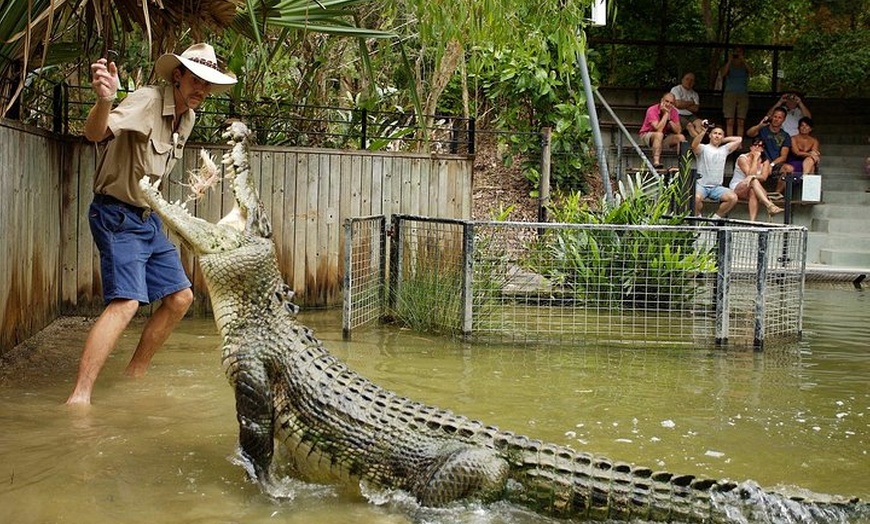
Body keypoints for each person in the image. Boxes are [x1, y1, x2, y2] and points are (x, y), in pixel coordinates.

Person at [66, 43, 237, 405]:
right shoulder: (145, 101)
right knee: (127, 303)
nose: (201, 90)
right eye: (195, 80)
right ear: (178, 75)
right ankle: (79, 398)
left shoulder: (187, 118)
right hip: (115, 213)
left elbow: (153, 175)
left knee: (180, 298)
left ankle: (134, 376)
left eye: (207, 84)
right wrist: (105, 100)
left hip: (147, 220)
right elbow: (94, 135)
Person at [692, 124, 742, 218]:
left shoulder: (725, 149)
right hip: (701, 185)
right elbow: (694, 145)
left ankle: (715, 219)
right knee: (696, 198)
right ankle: (698, 219)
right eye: (714, 133)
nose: (717, 135)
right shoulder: (703, 148)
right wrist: (703, 131)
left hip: (717, 187)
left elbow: (739, 139)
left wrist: (723, 139)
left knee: (733, 198)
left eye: (719, 134)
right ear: (710, 135)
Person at [729, 138, 784, 221]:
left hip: (754, 188)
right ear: (751, 147)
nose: (758, 147)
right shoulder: (742, 158)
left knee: (753, 191)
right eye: (756, 145)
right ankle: (769, 205)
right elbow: (750, 174)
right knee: (753, 180)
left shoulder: (765, 161)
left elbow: (764, 177)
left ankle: (752, 222)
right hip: (738, 186)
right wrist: (755, 159)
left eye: (761, 146)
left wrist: (753, 177)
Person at [746, 106, 794, 193]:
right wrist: (760, 125)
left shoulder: (785, 135)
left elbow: (783, 157)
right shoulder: (763, 130)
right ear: (771, 117)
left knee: (789, 168)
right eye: (775, 116)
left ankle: (776, 194)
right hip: (760, 162)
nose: (776, 119)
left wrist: (771, 165)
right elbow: (749, 133)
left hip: (774, 164)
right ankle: (756, 192)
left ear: (783, 119)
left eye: (780, 117)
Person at [639, 92, 685, 169]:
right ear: (662, 100)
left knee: (681, 137)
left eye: (671, 103)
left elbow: (678, 131)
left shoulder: (674, 111)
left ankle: (681, 164)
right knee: (659, 134)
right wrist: (666, 114)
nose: (668, 104)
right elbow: (658, 128)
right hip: (647, 135)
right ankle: (656, 162)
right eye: (666, 101)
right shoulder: (652, 110)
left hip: (663, 138)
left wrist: (670, 120)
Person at [719, 47, 751, 137]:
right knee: (730, 120)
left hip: (743, 93)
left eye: (739, 51)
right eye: (735, 52)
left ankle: (738, 142)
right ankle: (730, 142)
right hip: (730, 93)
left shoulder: (745, 64)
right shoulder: (729, 64)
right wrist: (729, 61)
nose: (737, 53)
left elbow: (752, 72)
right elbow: (723, 74)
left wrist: (743, 60)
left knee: (741, 120)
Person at [670, 72, 705, 138]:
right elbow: (678, 104)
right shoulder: (676, 89)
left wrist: (683, 104)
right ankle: (698, 144)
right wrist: (691, 103)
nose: (689, 82)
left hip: (690, 115)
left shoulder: (695, 94)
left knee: (700, 123)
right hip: (677, 114)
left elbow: (695, 109)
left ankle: (697, 143)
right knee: (690, 126)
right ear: (682, 80)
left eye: (691, 80)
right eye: (687, 79)